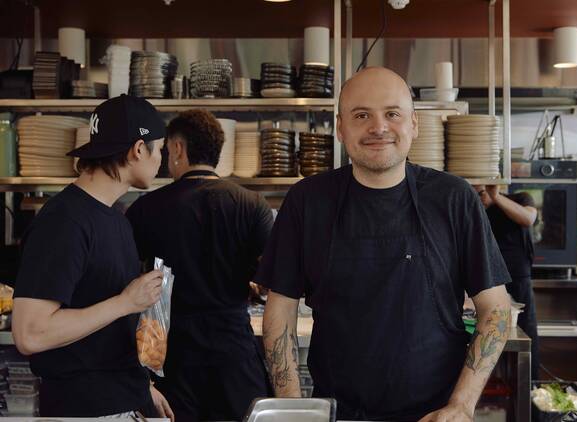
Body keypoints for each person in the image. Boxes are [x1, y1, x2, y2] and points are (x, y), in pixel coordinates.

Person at [255, 67, 514, 422]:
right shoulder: (307, 201)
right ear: (341, 128)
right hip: (337, 413)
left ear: (414, 124)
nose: (379, 127)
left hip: (434, 414)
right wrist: (295, 409)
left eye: (392, 114)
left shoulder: (453, 198)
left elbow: (496, 310)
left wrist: (461, 405)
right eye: (362, 115)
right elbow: (279, 312)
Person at [11, 94, 173, 419]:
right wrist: (126, 302)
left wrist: (142, 387)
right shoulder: (64, 221)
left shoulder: (116, 218)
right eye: (160, 149)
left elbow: (107, 330)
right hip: (83, 409)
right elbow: (30, 333)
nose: (162, 161)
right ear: (138, 149)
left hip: (123, 400)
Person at [126, 109, 274, 422]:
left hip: (172, 354)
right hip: (234, 350)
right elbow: (271, 282)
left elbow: (127, 286)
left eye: (167, 150)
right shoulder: (252, 204)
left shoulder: (145, 209)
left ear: (178, 148)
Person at [474, 185, 539, 380]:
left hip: (518, 280)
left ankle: (529, 390)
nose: (481, 195)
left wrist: (496, 197)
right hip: (486, 280)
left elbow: (528, 219)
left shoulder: (521, 198)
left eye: (483, 191)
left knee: (526, 335)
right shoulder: (470, 203)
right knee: (487, 335)